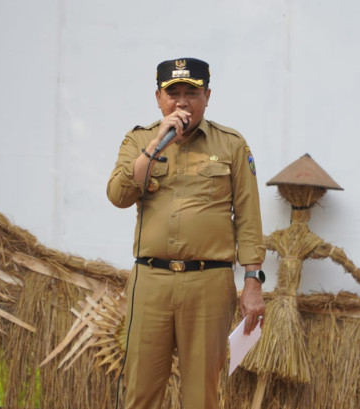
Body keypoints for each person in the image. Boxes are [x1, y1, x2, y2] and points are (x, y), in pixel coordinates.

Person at [106, 57, 267, 409]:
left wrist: (253, 281)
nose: (182, 102)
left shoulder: (231, 145)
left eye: (191, 93)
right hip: (151, 281)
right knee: (140, 392)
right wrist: (156, 145)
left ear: (207, 96)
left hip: (208, 283)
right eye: (173, 93)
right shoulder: (139, 140)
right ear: (158, 98)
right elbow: (118, 196)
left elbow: (249, 217)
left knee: (202, 395)